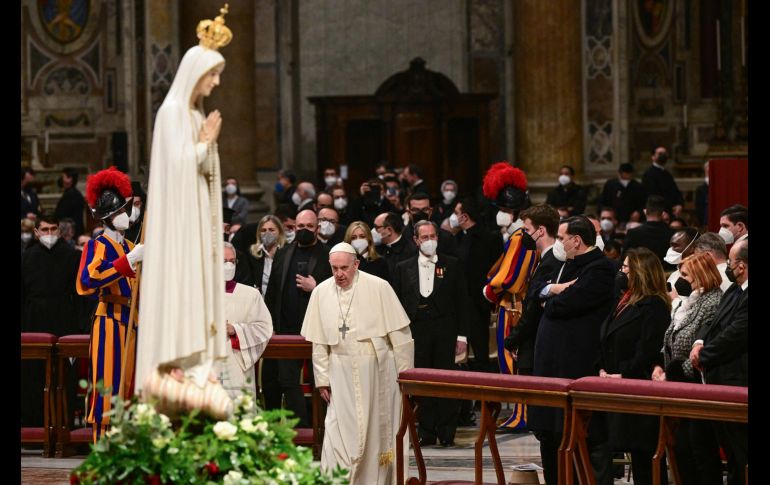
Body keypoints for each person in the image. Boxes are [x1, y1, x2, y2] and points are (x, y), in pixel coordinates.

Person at [135, 6, 233, 419]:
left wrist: (206, 144)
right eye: (212, 74)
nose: (215, 82)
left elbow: (202, 170)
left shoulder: (193, 114)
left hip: (197, 222)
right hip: (180, 224)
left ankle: (198, 364)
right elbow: (174, 170)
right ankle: (176, 362)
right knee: (181, 284)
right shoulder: (173, 114)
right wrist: (205, 142)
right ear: (195, 73)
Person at [301, 242, 414, 484]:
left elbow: (401, 337)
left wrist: (406, 378)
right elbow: (319, 344)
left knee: (374, 432)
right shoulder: (321, 292)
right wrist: (322, 380)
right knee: (337, 431)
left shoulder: (379, 287)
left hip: (376, 371)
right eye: (334, 268)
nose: (339, 274)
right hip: (339, 372)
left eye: (344, 268)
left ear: (357, 265)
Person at [529, 215, 616, 485]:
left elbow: (565, 304)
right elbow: (534, 294)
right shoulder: (564, 264)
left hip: (575, 363)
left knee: (578, 436)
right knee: (550, 433)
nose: (558, 243)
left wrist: (551, 299)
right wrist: (553, 292)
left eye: (561, 238)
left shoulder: (600, 269)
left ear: (576, 240)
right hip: (551, 366)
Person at [76, 167, 144, 441]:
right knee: (108, 384)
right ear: (108, 217)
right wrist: (127, 263)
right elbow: (88, 278)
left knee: (130, 387)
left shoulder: (130, 244)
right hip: (109, 320)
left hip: (133, 319)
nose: (126, 216)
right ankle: (103, 443)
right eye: (120, 212)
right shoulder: (99, 244)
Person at [597, 248, 670, 485]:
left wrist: (623, 373)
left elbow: (648, 349)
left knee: (643, 456)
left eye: (626, 267)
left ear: (639, 271)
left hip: (638, 388)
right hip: (614, 385)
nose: (622, 271)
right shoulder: (625, 300)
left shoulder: (654, 305)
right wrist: (602, 369)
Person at [393, 221, 469, 447]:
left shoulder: (452, 264)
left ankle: (447, 432)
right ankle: (427, 431)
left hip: (445, 329)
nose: (429, 241)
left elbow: (463, 302)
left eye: (433, 236)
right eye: (424, 237)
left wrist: (462, 336)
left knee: (446, 381)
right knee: (422, 382)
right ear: (416, 240)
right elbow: (396, 302)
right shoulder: (402, 267)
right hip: (416, 331)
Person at [654, 252, 723, 485]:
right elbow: (671, 339)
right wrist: (661, 367)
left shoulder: (713, 301)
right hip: (677, 383)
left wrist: (675, 370)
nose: (679, 279)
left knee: (698, 449)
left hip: (696, 383)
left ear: (700, 276)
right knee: (681, 448)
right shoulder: (687, 301)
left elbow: (706, 344)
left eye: (684, 275)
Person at [263, 209, 332, 426]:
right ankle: (301, 432)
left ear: (317, 228)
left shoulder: (328, 254)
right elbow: (272, 292)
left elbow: (340, 293)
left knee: (320, 381)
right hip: (287, 330)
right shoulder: (283, 253)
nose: (304, 230)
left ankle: (320, 428)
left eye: (309, 226)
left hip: (318, 331)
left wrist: (316, 287)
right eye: (299, 226)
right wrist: (271, 324)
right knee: (287, 381)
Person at [690, 238, 748, 485]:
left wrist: (704, 355)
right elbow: (713, 320)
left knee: (741, 454)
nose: (728, 266)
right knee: (731, 451)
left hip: (737, 379)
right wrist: (699, 342)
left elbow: (737, 333)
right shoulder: (735, 290)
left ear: (742, 266)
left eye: (732, 262)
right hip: (720, 378)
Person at [21, 214, 83, 429]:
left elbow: (79, 295)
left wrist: (79, 329)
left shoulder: (72, 256)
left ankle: (64, 424)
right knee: (32, 375)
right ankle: (33, 426)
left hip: (64, 320)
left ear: (59, 230)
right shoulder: (25, 258)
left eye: (53, 229)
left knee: (64, 376)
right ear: (37, 233)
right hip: (32, 321)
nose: (49, 234)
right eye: (45, 230)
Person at [503, 204, 560, 377]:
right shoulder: (544, 260)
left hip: (537, 347)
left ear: (541, 230)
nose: (524, 235)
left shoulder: (550, 262)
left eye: (527, 229)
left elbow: (533, 310)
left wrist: (512, 340)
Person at [216, 242, 273, 399]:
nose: (229, 265)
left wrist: (236, 330)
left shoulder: (250, 295)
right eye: (223, 261)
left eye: (232, 261)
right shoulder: (198, 294)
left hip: (237, 365)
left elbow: (264, 328)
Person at [623, 195, 674, 269]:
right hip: (665, 277)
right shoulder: (672, 234)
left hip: (640, 276)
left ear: (645, 211)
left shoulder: (633, 233)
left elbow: (625, 260)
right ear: (663, 213)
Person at [246, 214, 286, 295]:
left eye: (271, 230)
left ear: (280, 232)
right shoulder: (253, 253)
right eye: (263, 230)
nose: (267, 233)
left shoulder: (286, 251)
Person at [374, 211, 417, 280]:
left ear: (389, 230)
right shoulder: (376, 248)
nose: (373, 231)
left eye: (376, 227)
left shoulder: (410, 251)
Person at [642, 146, 683, 216]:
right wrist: (669, 208)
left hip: (671, 211)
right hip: (659, 212)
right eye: (660, 153)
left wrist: (679, 204)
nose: (663, 155)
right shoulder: (649, 174)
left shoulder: (667, 174)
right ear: (653, 157)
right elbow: (653, 195)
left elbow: (675, 191)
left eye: (665, 153)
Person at [55, 167, 86, 237]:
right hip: (74, 230)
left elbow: (62, 214)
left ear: (70, 179)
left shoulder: (71, 195)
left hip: (71, 232)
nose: (61, 179)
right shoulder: (74, 193)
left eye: (63, 177)